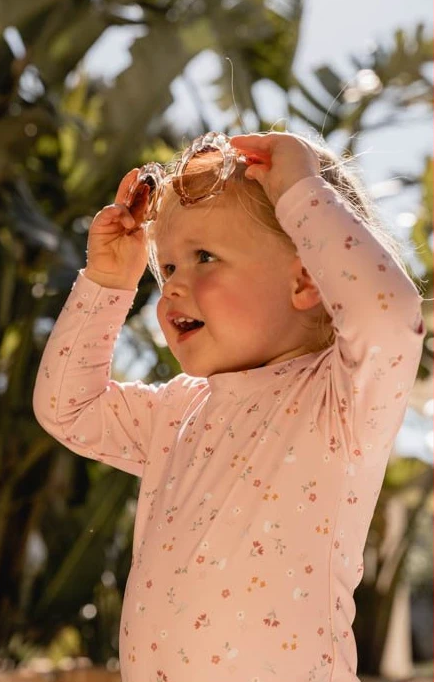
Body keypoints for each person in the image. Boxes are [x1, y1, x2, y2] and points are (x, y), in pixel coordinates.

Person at [33, 131, 424, 684]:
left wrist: (301, 192)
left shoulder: (336, 400)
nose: (172, 288)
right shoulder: (176, 411)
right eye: (168, 268)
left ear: (306, 278)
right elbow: (66, 408)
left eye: (204, 258)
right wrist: (109, 282)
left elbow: (389, 316)